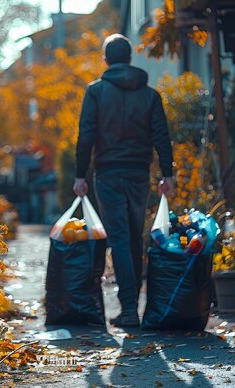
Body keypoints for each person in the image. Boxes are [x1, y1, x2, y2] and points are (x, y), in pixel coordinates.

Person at [73, 33, 174, 327]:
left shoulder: (96, 92)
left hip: (108, 174)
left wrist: (80, 175)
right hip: (139, 175)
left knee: (118, 239)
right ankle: (134, 308)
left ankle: (129, 309)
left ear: (106, 60)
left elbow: (86, 135)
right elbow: (162, 137)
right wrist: (167, 174)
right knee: (133, 238)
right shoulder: (150, 95)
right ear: (130, 59)